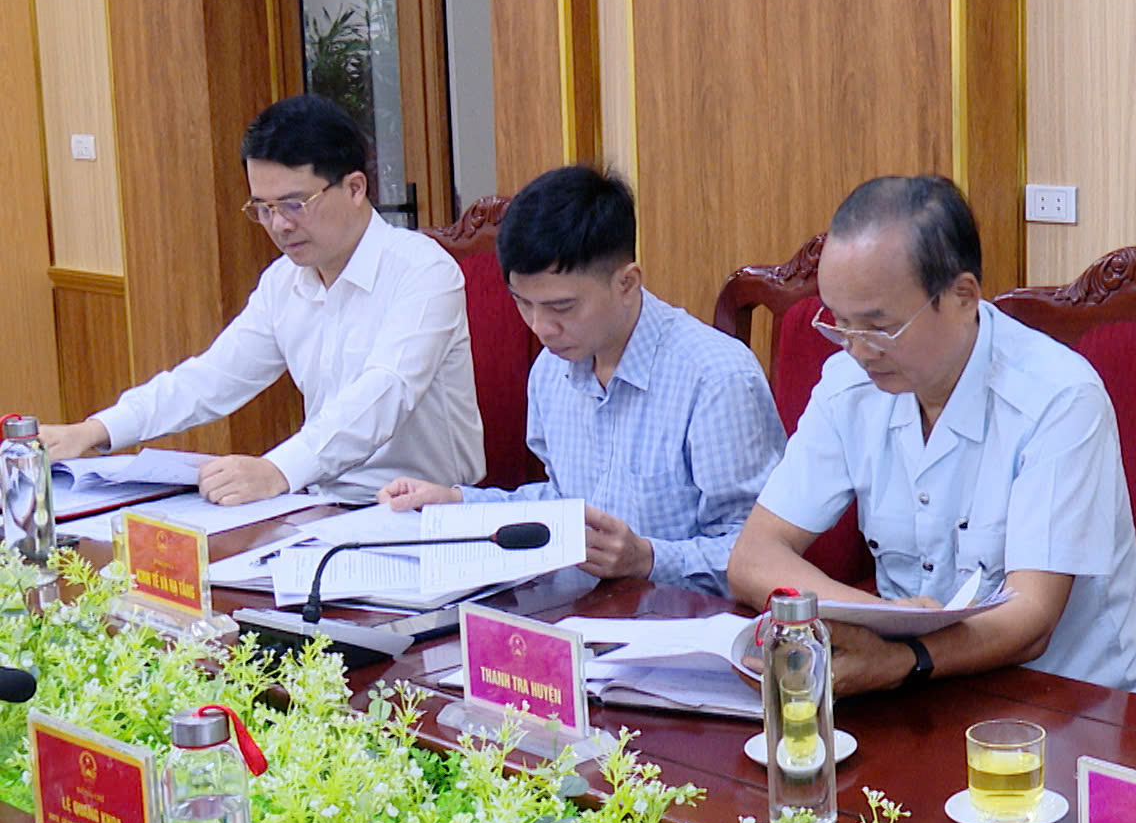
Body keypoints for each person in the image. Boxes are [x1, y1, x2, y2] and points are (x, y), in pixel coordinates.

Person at [727, 175, 1136, 695]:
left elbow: (1032, 618)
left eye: (879, 327)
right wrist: (876, 622)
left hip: (1072, 700)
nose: (858, 350)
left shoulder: (1059, 398)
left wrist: (905, 656)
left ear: (962, 296)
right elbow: (753, 556)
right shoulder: (848, 386)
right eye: (840, 324)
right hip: (919, 690)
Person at [39, 95, 484, 505]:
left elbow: (384, 394)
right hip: (320, 502)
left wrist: (277, 470)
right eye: (263, 209)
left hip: (422, 509)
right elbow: (213, 377)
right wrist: (95, 430)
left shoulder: (423, 271)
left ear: (354, 188)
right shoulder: (284, 281)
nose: (279, 225)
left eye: (295, 204)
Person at [377, 164, 785, 596]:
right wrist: (456, 503)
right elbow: (562, 503)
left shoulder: (715, 379)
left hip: (683, 621)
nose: (540, 327)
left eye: (562, 307)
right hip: (580, 614)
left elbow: (762, 554)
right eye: (523, 303)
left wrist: (648, 558)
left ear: (627, 283)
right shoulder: (550, 370)